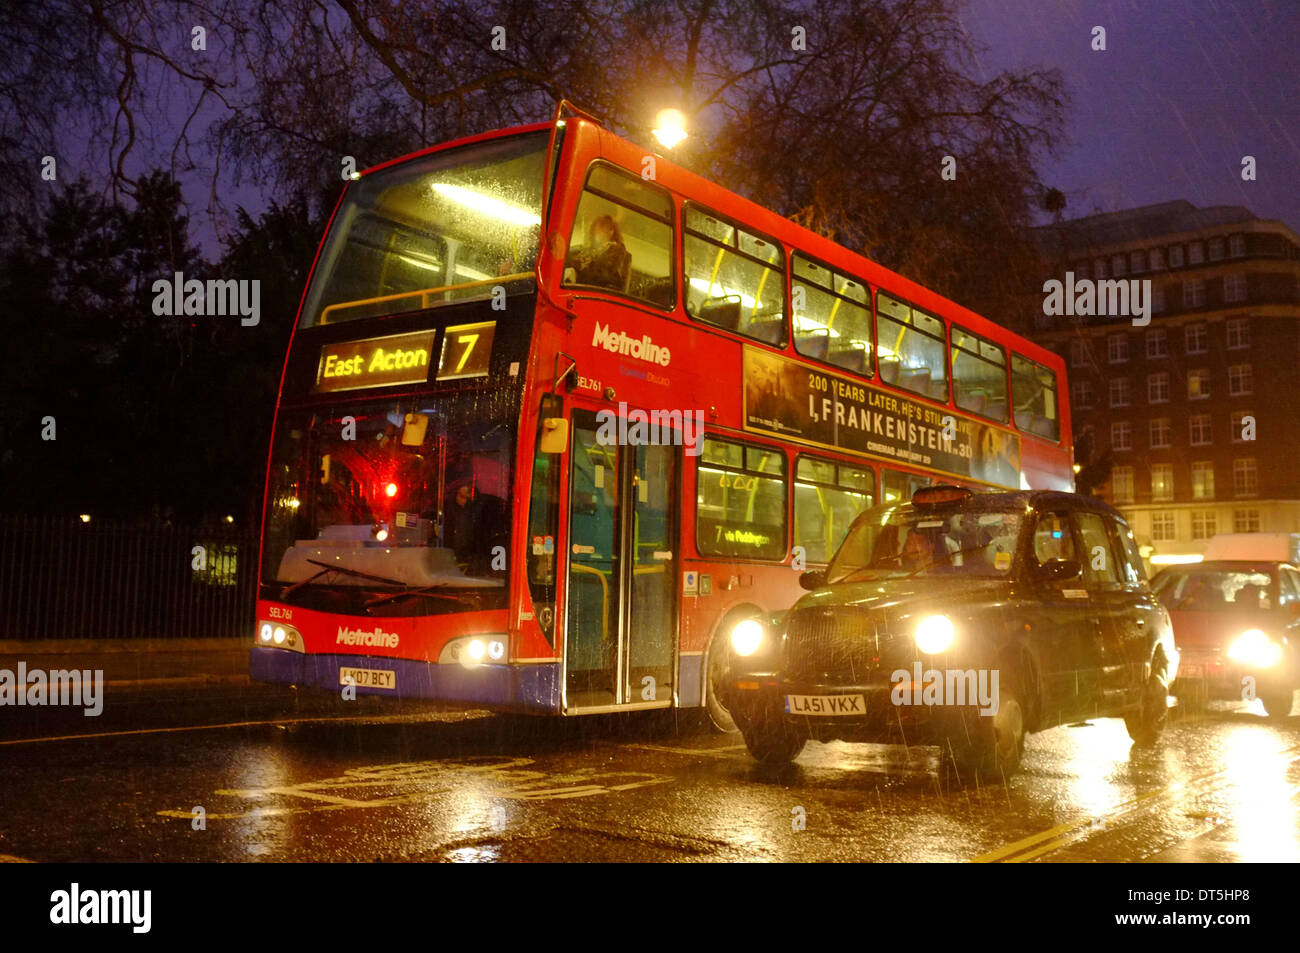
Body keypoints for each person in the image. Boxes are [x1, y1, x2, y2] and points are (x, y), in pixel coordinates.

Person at [565, 215, 629, 291]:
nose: (604, 232)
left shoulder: (617, 249)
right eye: (602, 228)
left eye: (609, 228)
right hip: (580, 288)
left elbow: (607, 272)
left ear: (612, 232)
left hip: (600, 291)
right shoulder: (586, 249)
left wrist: (580, 272)